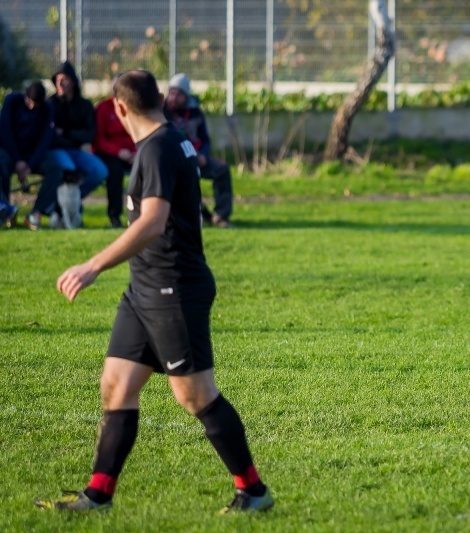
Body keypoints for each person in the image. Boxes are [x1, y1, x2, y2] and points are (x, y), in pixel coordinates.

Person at [35, 69, 273, 513]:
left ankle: (254, 490)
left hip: (173, 289)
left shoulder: (159, 148)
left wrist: (92, 265)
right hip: (143, 289)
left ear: (119, 107)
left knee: (195, 394)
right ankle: (98, 495)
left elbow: (152, 222)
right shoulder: (169, 140)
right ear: (161, 97)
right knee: (117, 384)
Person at [36, 60, 108, 230]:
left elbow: (90, 135)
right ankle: (62, 206)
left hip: (75, 150)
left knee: (100, 171)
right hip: (55, 151)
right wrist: (71, 137)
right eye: (57, 79)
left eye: (65, 79)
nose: (60, 83)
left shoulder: (84, 105)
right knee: (69, 168)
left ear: (73, 82)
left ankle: (68, 202)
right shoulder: (50, 104)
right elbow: (49, 135)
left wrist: (66, 133)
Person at [163, 73, 233, 228]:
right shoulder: (163, 113)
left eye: (179, 94)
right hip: (175, 159)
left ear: (186, 96)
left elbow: (205, 139)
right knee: (186, 180)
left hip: (197, 156)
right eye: (172, 93)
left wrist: (203, 155)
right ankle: (203, 214)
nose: (174, 98)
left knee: (221, 170)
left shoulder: (196, 113)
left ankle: (221, 216)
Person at [0, 81, 58, 228]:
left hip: (33, 156)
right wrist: (17, 160)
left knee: (55, 169)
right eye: (30, 102)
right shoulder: (12, 101)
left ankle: (36, 212)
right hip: (10, 152)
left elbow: (44, 140)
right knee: (1, 162)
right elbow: (5, 133)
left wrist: (29, 166)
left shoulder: (47, 108)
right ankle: (6, 210)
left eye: (36, 104)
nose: (32, 106)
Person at [93, 92, 136, 228]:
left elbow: (138, 132)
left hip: (132, 153)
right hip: (108, 153)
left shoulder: (134, 107)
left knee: (147, 167)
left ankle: (142, 215)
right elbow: (99, 140)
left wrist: (136, 152)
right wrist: (118, 152)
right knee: (115, 171)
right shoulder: (103, 108)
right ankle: (115, 217)